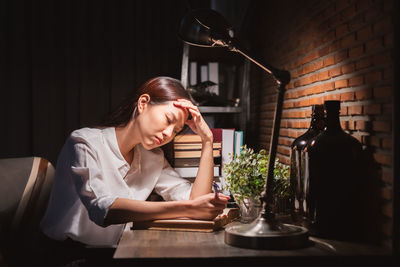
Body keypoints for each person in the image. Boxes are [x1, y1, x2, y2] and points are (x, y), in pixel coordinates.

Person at [40, 76, 229, 247]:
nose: (168, 134)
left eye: (176, 131)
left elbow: (196, 201)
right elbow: (102, 209)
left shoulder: (153, 158)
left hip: (117, 252)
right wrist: (188, 208)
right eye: (168, 119)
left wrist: (207, 140)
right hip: (66, 254)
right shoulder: (84, 142)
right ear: (143, 103)